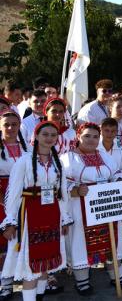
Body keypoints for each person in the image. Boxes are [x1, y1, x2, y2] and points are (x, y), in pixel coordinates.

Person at [1, 121, 73, 301]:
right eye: (45, 134)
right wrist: (10, 222)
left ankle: (39, 296)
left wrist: (64, 219)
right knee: (30, 267)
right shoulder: (24, 161)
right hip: (29, 216)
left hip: (51, 214)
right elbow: (14, 193)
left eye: (53, 135)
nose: (49, 138)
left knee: (45, 261)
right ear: (36, 137)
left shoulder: (57, 162)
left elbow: (62, 193)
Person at [61, 123, 122, 295]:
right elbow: (61, 182)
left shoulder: (104, 155)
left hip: (107, 206)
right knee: (81, 241)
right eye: (87, 136)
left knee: (112, 239)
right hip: (81, 207)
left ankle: (117, 276)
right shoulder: (68, 158)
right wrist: (76, 190)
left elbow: (115, 173)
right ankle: (82, 281)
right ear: (78, 136)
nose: (91, 140)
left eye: (95, 136)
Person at [0, 111, 30, 300]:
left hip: (25, 199)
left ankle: (26, 276)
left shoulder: (26, 148)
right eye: (6, 124)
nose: (11, 128)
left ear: (19, 126)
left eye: (14, 124)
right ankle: (5, 284)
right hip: (1, 198)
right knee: (5, 241)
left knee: (23, 238)